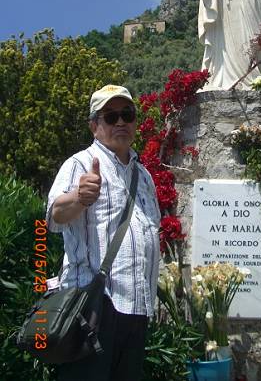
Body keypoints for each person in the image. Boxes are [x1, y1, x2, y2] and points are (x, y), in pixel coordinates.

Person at [46, 84, 160, 381]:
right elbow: (55, 216)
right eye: (110, 117)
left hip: (137, 306)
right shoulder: (80, 164)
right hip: (95, 305)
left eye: (127, 114)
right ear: (94, 126)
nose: (120, 122)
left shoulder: (144, 175)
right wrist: (79, 198)